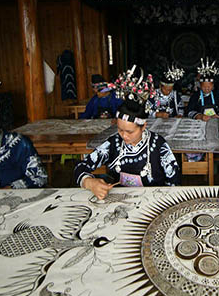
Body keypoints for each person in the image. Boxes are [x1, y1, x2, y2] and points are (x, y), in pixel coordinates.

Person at [75, 66, 180, 200]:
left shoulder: (158, 145)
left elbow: (174, 180)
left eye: (130, 131)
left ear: (143, 127)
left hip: (154, 202)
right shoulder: (114, 143)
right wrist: (89, 182)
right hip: (119, 202)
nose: (124, 135)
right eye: (120, 130)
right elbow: (81, 166)